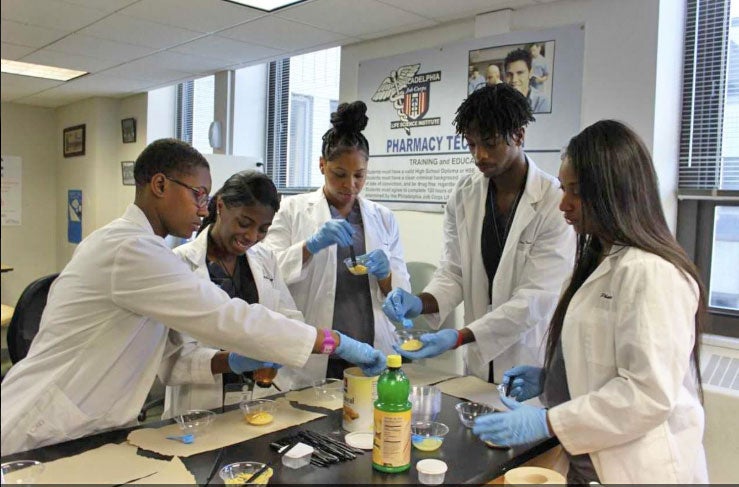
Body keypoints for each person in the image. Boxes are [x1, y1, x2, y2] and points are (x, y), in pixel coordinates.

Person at [0, 139, 385, 455]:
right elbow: (226, 317)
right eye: (198, 194)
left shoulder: (140, 249)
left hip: (92, 422)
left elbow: (269, 316)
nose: (202, 209)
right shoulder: (132, 251)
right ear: (160, 185)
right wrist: (335, 342)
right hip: (46, 424)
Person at [472, 120, 708, 484]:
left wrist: (547, 420)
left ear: (615, 191)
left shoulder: (651, 272)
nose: (563, 204)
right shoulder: (598, 257)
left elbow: (647, 393)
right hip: (588, 461)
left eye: (576, 193)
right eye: (564, 189)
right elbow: (601, 352)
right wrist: (553, 379)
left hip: (637, 467)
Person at [383, 84, 575, 383]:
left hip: (527, 360)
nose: (479, 155)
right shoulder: (465, 193)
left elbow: (536, 298)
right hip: (476, 366)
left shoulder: (553, 201)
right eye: (472, 144)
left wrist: (460, 336)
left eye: (490, 143)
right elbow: (454, 271)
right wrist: (420, 301)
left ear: (519, 135)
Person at [263, 101, 411, 384]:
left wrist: (385, 274)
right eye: (339, 174)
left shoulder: (384, 218)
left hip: (370, 349)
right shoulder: (292, 210)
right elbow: (267, 272)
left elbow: (401, 297)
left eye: (359, 176)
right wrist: (310, 246)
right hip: (316, 351)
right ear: (322, 165)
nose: (350, 185)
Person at [159, 170, 302, 418]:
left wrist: (290, 344)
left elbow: (288, 318)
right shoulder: (178, 264)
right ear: (221, 206)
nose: (251, 236)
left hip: (258, 401)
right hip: (199, 407)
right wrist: (232, 361)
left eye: (263, 229)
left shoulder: (265, 259)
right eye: (244, 223)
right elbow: (170, 361)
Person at [504, 48, 551, 113]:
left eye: (520, 73)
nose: (514, 80)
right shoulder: (500, 101)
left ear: (530, 73)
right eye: (510, 74)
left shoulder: (542, 101)